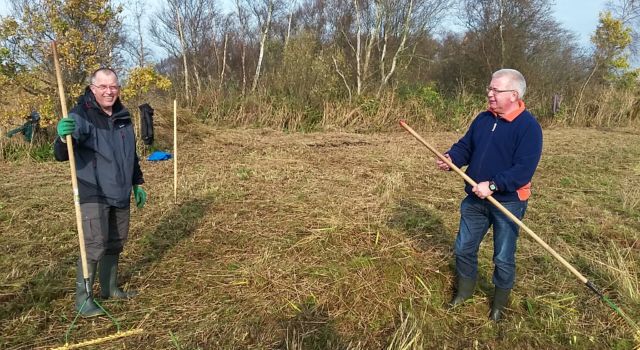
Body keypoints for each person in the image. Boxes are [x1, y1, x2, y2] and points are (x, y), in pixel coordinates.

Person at [436, 69, 543, 321]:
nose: (490, 94)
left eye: (496, 90)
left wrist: (493, 185)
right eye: (490, 89)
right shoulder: (484, 119)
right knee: (463, 248)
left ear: (514, 95)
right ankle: (464, 292)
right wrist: (453, 158)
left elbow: (523, 170)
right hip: (475, 199)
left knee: (503, 257)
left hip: (508, 202)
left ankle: (498, 306)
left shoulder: (529, 128)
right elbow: (466, 146)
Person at [54, 68, 147, 317]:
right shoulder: (81, 115)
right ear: (93, 88)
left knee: (115, 243)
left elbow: (131, 154)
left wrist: (137, 182)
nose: (109, 91)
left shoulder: (123, 116)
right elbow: (63, 155)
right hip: (93, 190)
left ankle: (109, 288)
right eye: (103, 87)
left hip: (120, 190)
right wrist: (62, 139)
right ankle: (83, 300)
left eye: (114, 86)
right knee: (94, 245)